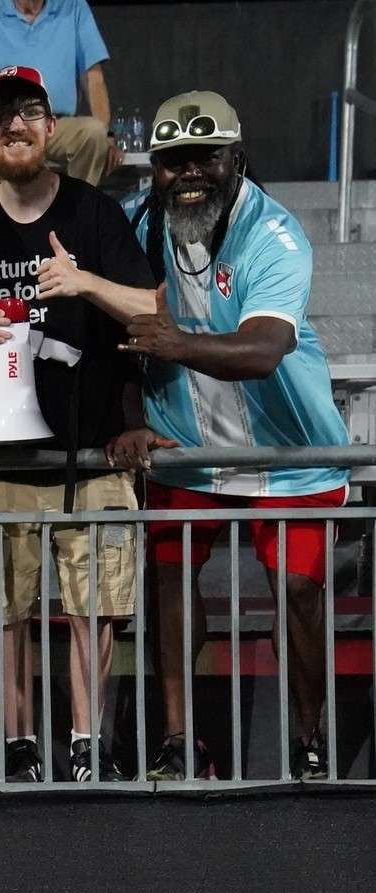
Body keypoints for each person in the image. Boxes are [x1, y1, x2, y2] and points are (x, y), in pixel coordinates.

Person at [90, 94, 351, 781]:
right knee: (169, 587)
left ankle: (309, 741)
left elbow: (263, 350)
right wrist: (128, 416)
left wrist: (175, 343)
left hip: (287, 453)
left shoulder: (274, 234)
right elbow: (108, 335)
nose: (188, 173)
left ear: (235, 157)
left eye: (204, 158)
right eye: (172, 161)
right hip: (185, 447)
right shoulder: (135, 224)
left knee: (298, 592)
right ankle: (180, 743)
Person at [0, 65, 153, 783]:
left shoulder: (95, 213)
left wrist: (83, 282)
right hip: (6, 461)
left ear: (51, 126)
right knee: (5, 612)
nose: (15, 125)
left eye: (29, 110)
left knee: (95, 613)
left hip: (92, 453)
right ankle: (18, 745)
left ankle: (87, 743)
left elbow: (154, 308)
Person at [0, 0, 120, 195]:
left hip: (49, 123)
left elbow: (93, 77)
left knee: (94, 133)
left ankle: (77, 210)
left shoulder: (74, 7)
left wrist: (107, 136)